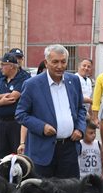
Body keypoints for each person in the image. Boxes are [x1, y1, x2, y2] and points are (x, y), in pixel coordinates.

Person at [16, 44, 86, 178]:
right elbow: (21, 114)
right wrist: (42, 127)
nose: (60, 66)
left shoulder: (74, 80)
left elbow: (80, 108)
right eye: (55, 62)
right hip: (43, 150)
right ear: (46, 63)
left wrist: (80, 128)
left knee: (69, 192)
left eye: (63, 62)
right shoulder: (32, 84)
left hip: (69, 149)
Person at [0, 52, 30, 163]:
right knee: (1, 153)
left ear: (11, 66)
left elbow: (14, 97)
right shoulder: (1, 79)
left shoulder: (21, 78)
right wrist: (0, 100)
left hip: (15, 122)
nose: (1, 68)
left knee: (16, 154)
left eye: (3, 65)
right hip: (1, 122)